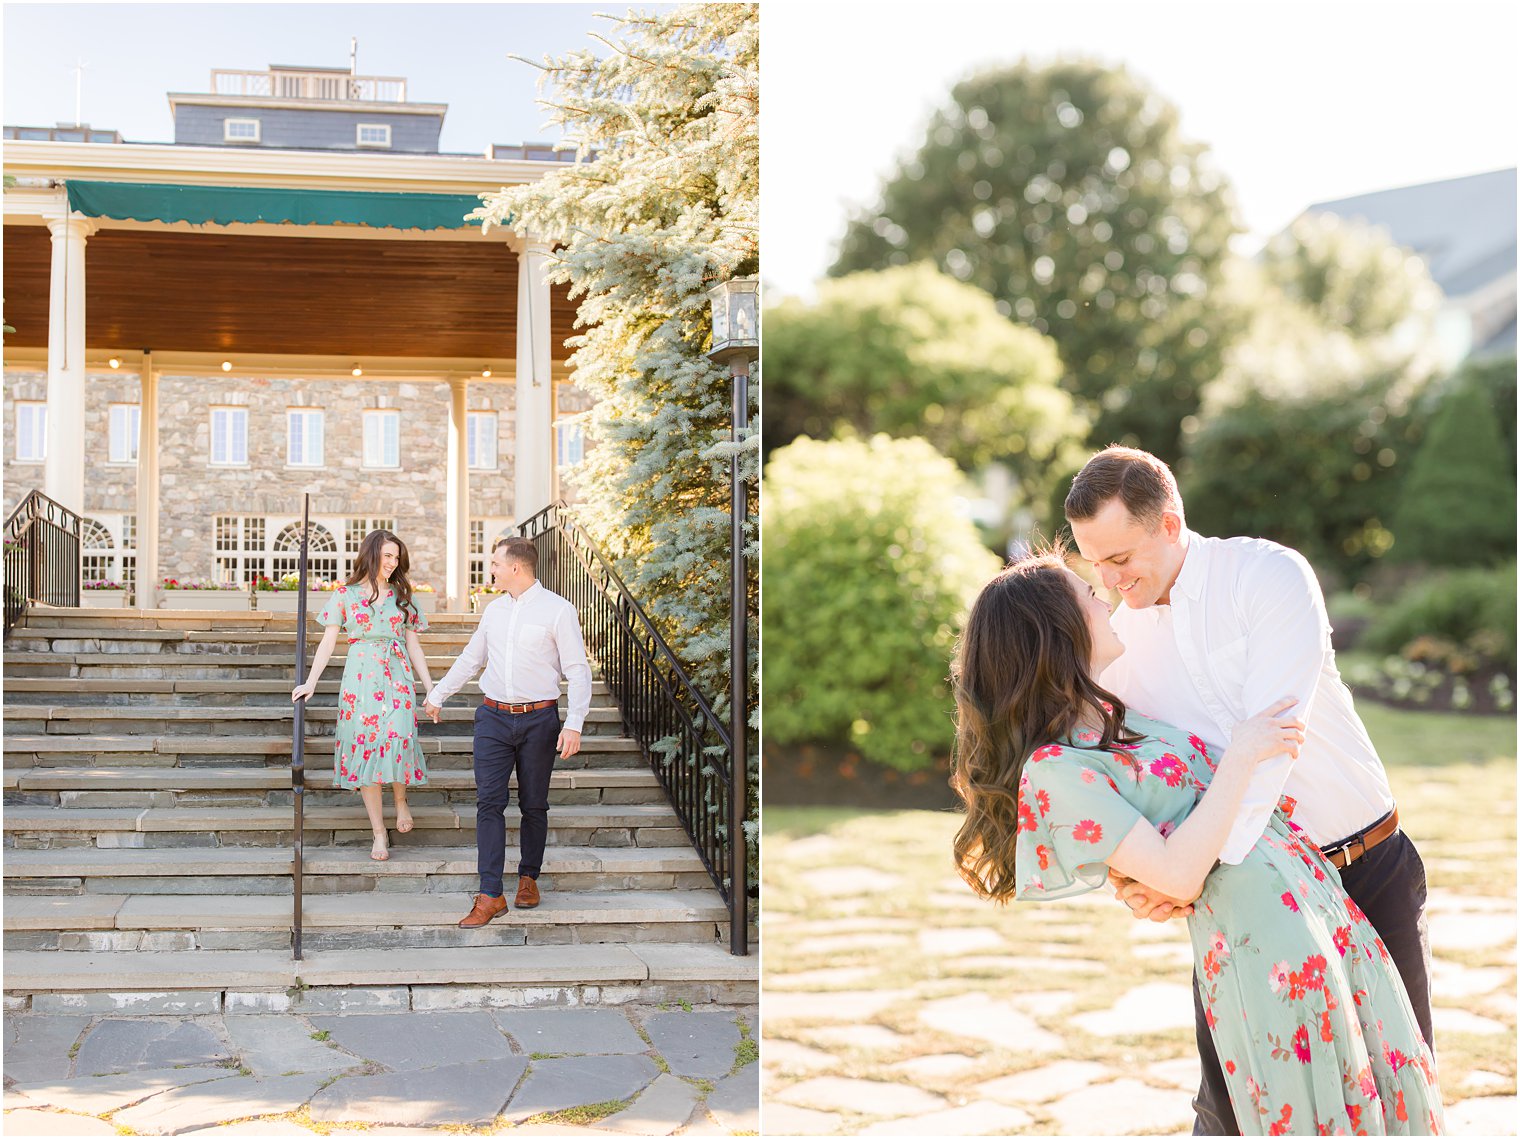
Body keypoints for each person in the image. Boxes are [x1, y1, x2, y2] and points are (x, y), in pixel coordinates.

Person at [951, 553, 1443, 1136]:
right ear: (1057, 627)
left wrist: (1140, 878)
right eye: (1086, 590)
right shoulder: (1054, 768)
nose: (1103, 593)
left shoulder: (1114, 719)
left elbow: (1168, 842)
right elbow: (1179, 873)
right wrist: (1242, 753)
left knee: (1380, 1102)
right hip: (1268, 944)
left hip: (1319, 910)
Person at [1063, 445, 1435, 1135]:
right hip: (1247, 900)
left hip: (1365, 868)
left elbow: (1269, 746)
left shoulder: (1268, 577)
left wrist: (1183, 872)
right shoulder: (1120, 641)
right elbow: (1131, 777)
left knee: (1393, 1090)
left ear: (1170, 524)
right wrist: (1136, 874)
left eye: (1120, 558)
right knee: (1229, 1106)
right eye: (1094, 562)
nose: (1110, 581)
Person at [423, 536, 592, 927]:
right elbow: (471, 658)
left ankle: (529, 876)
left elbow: (578, 672)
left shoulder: (558, 611)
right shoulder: (494, 611)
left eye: (496, 562)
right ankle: (490, 894)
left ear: (516, 567)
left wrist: (574, 724)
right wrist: (438, 694)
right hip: (493, 719)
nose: (491, 568)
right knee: (489, 804)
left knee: (534, 804)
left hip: (539, 720)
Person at [292, 530, 433, 862]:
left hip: (397, 675)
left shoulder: (403, 595)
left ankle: (400, 800)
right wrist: (311, 681)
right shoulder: (345, 595)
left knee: (398, 736)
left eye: (396, 557)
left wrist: (430, 686)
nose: (392, 562)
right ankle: (379, 833)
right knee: (368, 749)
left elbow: (413, 644)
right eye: (387, 555)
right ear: (371, 554)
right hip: (360, 679)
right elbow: (328, 642)